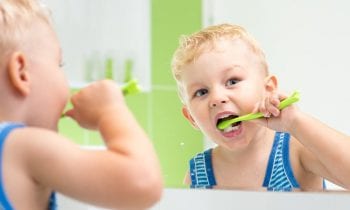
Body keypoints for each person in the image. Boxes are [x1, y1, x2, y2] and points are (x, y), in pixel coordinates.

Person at [0, 0, 162, 209]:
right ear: (22, 73)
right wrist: (110, 111)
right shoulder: (21, 146)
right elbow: (143, 183)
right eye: (59, 64)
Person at [171, 23, 350, 191]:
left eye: (232, 81)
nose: (217, 98)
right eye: (201, 92)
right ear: (191, 118)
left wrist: (295, 121)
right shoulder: (198, 174)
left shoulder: (296, 152)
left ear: (268, 89)